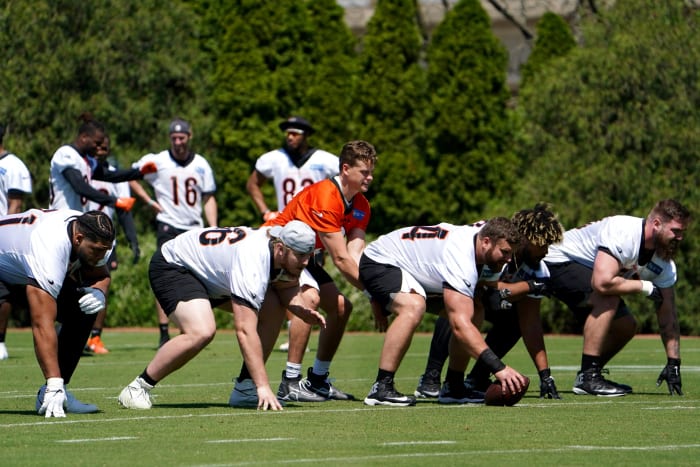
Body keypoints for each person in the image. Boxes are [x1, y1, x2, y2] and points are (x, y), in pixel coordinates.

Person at [117, 220, 326, 411]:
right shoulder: (254, 260)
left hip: (210, 276)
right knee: (202, 331)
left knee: (273, 308)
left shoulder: (280, 252)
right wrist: (263, 385)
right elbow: (245, 329)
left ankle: (244, 389)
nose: (307, 262)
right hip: (176, 266)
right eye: (301, 255)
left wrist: (299, 308)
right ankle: (138, 387)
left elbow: (286, 287)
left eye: (310, 254)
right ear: (281, 248)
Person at [229, 140, 377, 407]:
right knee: (309, 299)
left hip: (303, 258)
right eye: (364, 172)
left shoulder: (362, 205)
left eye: (371, 171)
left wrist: (376, 278)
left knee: (341, 308)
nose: (370, 177)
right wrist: (373, 293)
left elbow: (355, 253)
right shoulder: (327, 197)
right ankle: (291, 381)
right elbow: (341, 259)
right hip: (275, 251)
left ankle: (318, 379)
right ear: (345, 169)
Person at [359, 217, 530, 406]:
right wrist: (499, 368)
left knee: (476, 308)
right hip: (381, 260)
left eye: (511, 254)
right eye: (505, 252)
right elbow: (459, 326)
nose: (508, 260)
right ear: (486, 242)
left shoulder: (486, 240)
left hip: (417, 271)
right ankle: (381, 387)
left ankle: (454, 388)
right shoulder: (460, 256)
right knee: (413, 306)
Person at [414, 204, 565, 401]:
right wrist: (529, 286)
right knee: (460, 308)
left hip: (481, 296)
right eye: (543, 244)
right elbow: (479, 287)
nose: (546, 251)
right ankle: (431, 377)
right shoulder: (492, 247)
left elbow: (531, 323)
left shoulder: (537, 269)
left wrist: (545, 375)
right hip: (442, 284)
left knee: (513, 322)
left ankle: (476, 379)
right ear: (527, 239)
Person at [544, 199, 690, 397]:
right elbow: (602, 283)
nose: (680, 238)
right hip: (556, 260)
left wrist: (674, 362)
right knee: (608, 298)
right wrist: (643, 286)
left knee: (626, 326)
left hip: (586, 271)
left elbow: (668, 313)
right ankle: (589, 377)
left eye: (682, 232)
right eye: (675, 231)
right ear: (656, 224)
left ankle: (588, 372)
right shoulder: (624, 231)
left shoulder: (664, 263)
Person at [0, 209, 116, 417]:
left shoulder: (88, 232)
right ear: (78, 239)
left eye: (105, 250)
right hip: (11, 267)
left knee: (84, 308)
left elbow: (101, 273)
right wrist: (54, 381)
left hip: (17, 268)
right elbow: (42, 324)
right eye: (97, 250)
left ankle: (55, 391)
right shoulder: (50, 247)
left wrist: (99, 291)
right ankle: (54, 388)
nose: (101, 255)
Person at [246, 116, 339, 352]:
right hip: (285, 229)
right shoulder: (274, 158)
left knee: (310, 277)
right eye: (288, 133)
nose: (290, 137)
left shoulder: (325, 160)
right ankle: (290, 326)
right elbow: (253, 183)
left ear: (306, 135)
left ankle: (297, 325)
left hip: (313, 230)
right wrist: (265, 211)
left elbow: (342, 188)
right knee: (287, 278)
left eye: (295, 133)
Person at [129, 118, 218, 348]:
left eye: (182, 137)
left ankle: (191, 325)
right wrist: (149, 201)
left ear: (190, 136)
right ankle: (164, 332)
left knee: (198, 277)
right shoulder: (157, 160)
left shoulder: (201, 164)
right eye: (174, 138)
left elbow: (208, 197)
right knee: (165, 277)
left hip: (194, 228)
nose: (178, 142)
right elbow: (132, 176)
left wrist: (213, 226)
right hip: (168, 225)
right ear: (170, 139)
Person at [85, 135, 141, 354]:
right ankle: (66, 333)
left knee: (101, 285)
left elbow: (123, 209)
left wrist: (132, 240)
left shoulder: (115, 174)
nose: (101, 150)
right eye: (97, 146)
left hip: (103, 239)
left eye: (105, 147)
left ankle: (95, 338)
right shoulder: (81, 169)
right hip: (76, 237)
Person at [49, 113, 154, 213]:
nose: (98, 148)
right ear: (84, 137)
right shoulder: (66, 153)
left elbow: (111, 175)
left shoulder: (87, 161)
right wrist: (115, 201)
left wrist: (140, 172)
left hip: (76, 219)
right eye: (97, 143)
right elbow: (79, 186)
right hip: (60, 217)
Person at [0, 122, 33, 361]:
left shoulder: (13, 165)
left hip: (2, 235)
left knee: (3, 292)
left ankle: (0, 342)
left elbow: (16, 205)